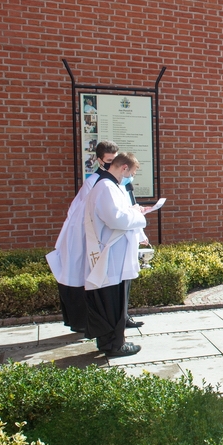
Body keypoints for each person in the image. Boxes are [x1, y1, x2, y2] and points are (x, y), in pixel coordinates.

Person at [47, 141, 120, 334]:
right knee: (83, 280)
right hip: (82, 237)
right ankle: (86, 324)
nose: (113, 165)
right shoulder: (94, 182)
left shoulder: (111, 181)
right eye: (109, 161)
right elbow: (84, 213)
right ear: (99, 160)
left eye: (116, 160)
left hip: (94, 237)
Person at [83, 152, 147, 357]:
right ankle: (114, 345)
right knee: (112, 301)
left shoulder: (110, 186)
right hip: (111, 256)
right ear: (124, 168)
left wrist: (133, 211)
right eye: (133, 172)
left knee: (113, 300)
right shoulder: (106, 187)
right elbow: (116, 218)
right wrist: (138, 215)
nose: (132, 177)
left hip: (114, 254)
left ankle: (110, 342)